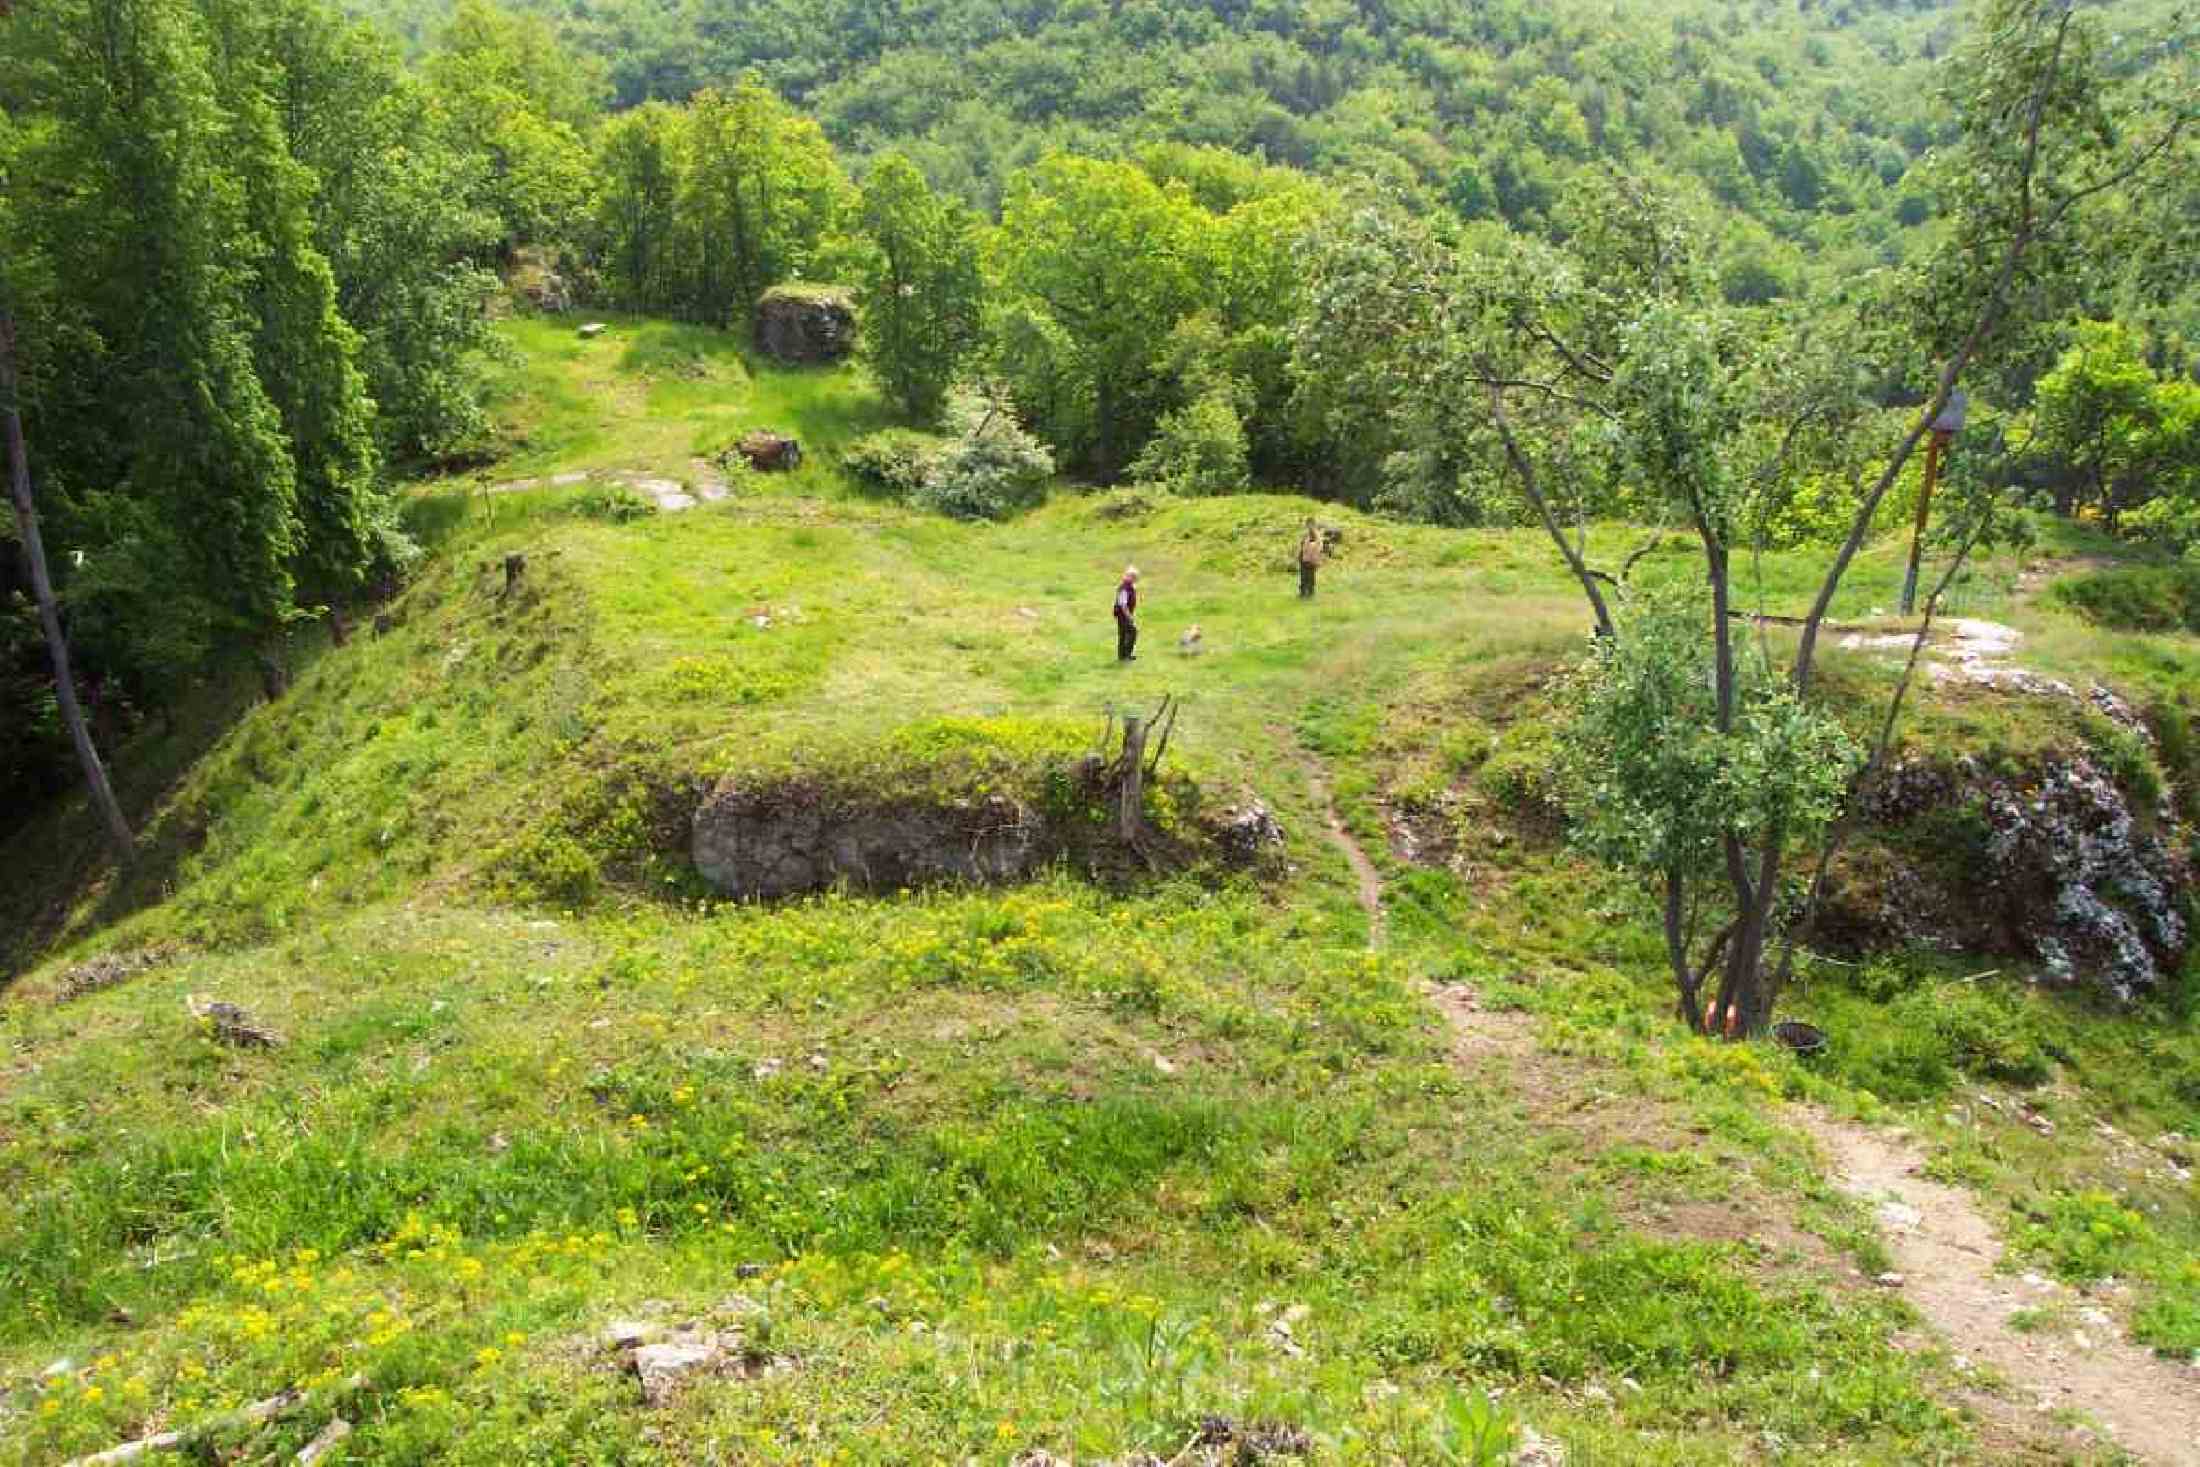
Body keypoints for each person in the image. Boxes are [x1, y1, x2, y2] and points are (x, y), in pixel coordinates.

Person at [1113, 565, 1140, 662]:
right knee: (1131, 632)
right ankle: (1125, 655)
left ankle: (1124, 655)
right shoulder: (1124, 588)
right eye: (1133, 577)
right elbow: (1122, 604)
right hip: (1123, 615)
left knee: (1125, 634)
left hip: (1125, 614)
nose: (1134, 579)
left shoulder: (1130, 587)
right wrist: (1129, 616)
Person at [1297, 520, 1323, 599]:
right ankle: (1303, 593)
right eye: (1308, 525)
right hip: (1304, 558)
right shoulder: (1306, 535)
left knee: (1310, 577)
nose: (1309, 527)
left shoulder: (1316, 536)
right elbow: (1302, 545)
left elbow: (1318, 546)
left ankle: (1310, 593)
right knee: (1303, 577)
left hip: (1311, 559)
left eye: (1310, 525)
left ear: (1314, 525)